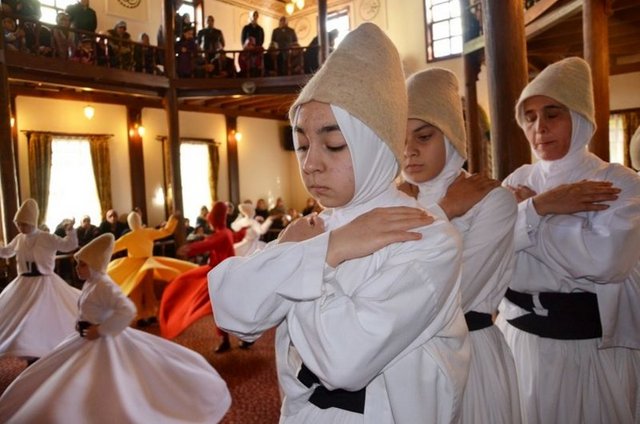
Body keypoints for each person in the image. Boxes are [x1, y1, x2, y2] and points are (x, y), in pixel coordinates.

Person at [209, 23, 469, 423]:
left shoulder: (426, 235)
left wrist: (300, 262)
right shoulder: (315, 230)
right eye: (301, 144)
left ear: (376, 146)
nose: (310, 164)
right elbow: (233, 308)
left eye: (333, 144)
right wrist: (328, 249)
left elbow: (342, 359)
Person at [498, 57, 640, 424]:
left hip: (587, 350)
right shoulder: (517, 179)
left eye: (552, 114)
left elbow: (606, 262)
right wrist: (543, 206)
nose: (540, 128)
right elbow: (493, 251)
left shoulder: (618, 182)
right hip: (518, 341)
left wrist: (531, 222)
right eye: (530, 117)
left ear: (579, 117)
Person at [0, 233, 231, 423]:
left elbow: (127, 310)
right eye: (78, 263)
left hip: (100, 338)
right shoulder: (91, 283)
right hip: (85, 338)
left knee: (109, 381)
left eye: (82, 264)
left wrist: (100, 330)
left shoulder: (104, 285)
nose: (77, 268)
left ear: (93, 265)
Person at [401, 68, 521, 423]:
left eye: (424, 136)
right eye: (400, 138)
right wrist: (441, 210)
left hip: (469, 354)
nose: (409, 150)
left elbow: (452, 293)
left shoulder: (493, 200)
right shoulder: (394, 200)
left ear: (452, 135)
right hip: (401, 360)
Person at [0, 199, 80, 362]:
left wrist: (70, 231)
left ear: (32, 222)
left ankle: (45, 347)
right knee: (23, 317)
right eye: (18, 224)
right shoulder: (19, 239)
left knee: (43, 315)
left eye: (24, 224)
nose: (21, 227)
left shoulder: (47, 238)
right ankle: (27, 349)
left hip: (45, 283)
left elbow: (69, 245)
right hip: (23, 283)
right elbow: (7, 252)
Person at [159, 202, 236, 352]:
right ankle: (228, 338)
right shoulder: (224, 232)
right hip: (220, 273)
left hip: (223, 276)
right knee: (223, 308)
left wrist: (188, 249)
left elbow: (208, 244)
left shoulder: (222, 234)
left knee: (225, 308)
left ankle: (238, 337)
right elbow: (212, 241)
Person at [107, 211, 197, 326]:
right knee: (147, 290)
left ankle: (142, 316)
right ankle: (150, 314)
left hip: (140, 265)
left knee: (137, 292)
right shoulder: (147, 232)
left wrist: (100, 249)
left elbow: (112, 247)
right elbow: (166, 231)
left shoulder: (128, 237)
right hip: (145, 265)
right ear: (140, 221)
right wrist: (173, 219)